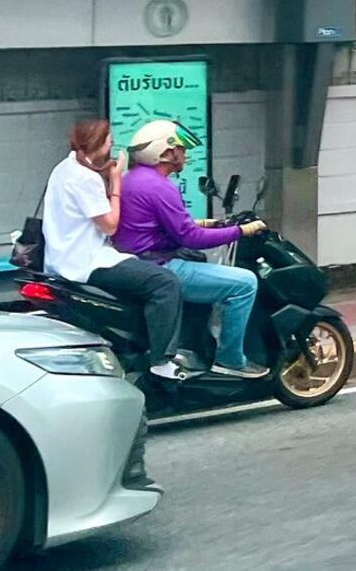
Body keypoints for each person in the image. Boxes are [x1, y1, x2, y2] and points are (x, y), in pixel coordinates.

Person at [114, 119, 272, 380]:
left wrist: (207, 223)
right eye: (181, 150)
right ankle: (230, 360)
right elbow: (190, 237)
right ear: (165, 151)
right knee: (245, 283)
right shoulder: (159, 186)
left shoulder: (132, 180)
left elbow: (157, 225)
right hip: (162, 266)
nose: (185, 155)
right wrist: (240, 231)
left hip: (138, 262)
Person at [41, 119, 190, 380]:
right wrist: (116, 181)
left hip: (61, 257)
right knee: (165, 282)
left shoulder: (63, 169)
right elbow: (110, 225)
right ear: (99, 143)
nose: (112, 144)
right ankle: (161, 360)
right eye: (109, 139)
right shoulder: (85, 179)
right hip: (87, 261)